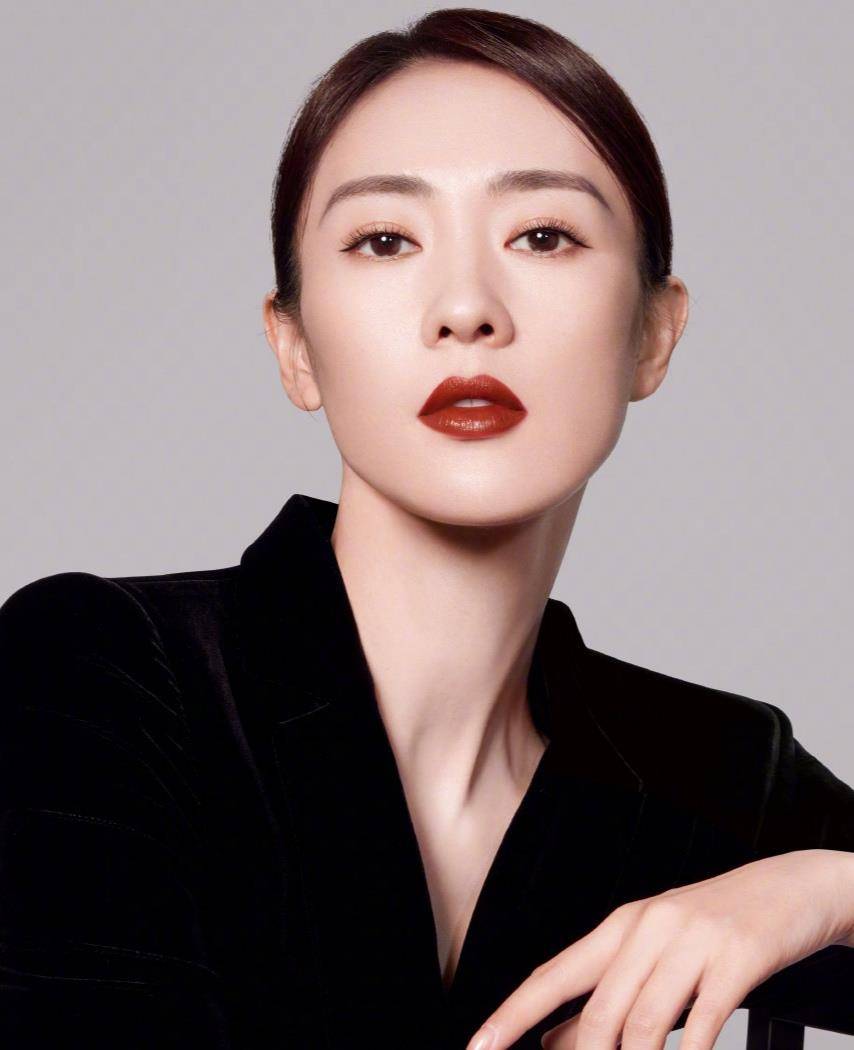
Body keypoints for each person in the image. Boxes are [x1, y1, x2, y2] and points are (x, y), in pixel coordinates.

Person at [1, 9, 852, 1050]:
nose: (465, 308)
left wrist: (824, 892)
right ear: (295, 348)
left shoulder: (705, 768)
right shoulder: (101, 671)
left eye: (542, 235)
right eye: (384, 240)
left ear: (651, 333)